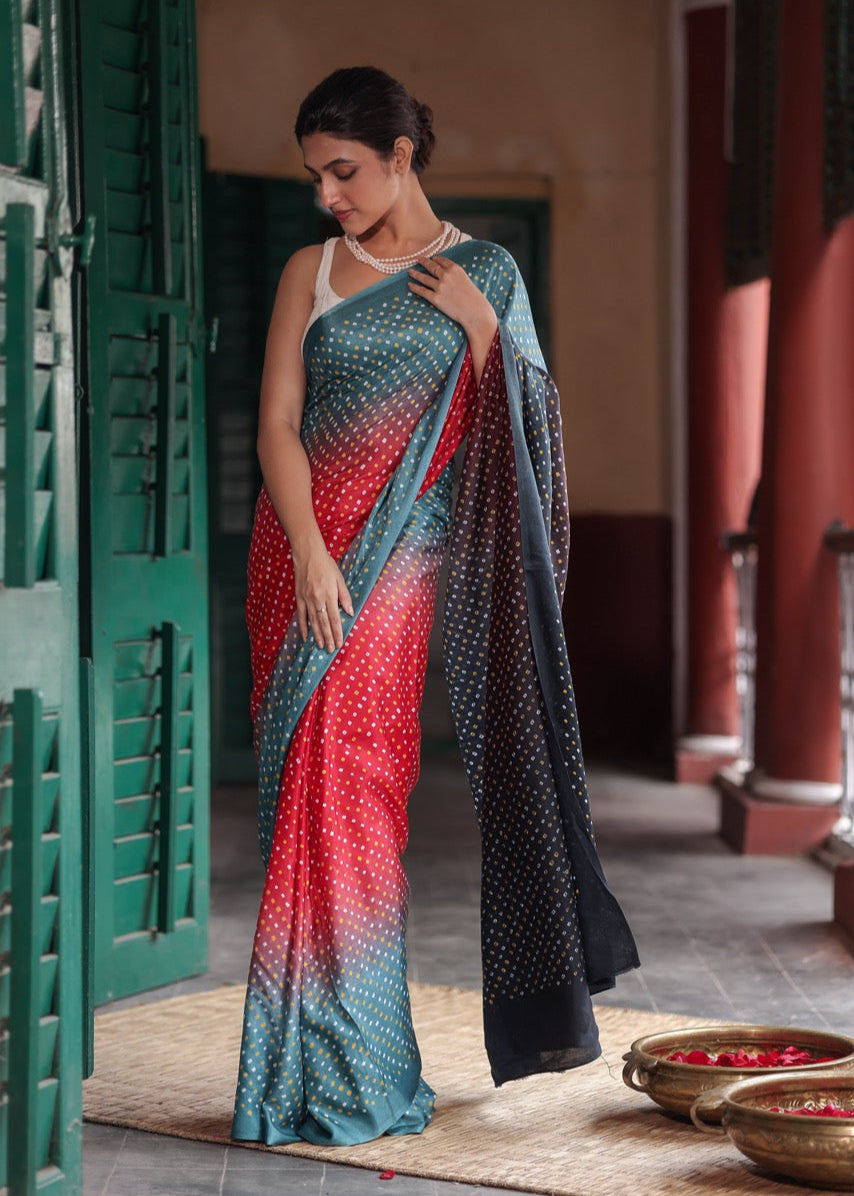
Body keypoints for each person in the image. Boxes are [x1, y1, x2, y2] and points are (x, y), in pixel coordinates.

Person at [231, 66, 639, 1149]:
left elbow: (534, 433)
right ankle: (290, 1073)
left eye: (346, 171)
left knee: (357, 795)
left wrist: (485, 337)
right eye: (317, 175)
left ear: (402, 154)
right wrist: (314, 554)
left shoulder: (485, 273)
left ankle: (360, 1066)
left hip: (400, 568)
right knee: (298, 810)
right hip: (299, 560)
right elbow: (277, 423)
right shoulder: (307, 271)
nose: (329, 194)